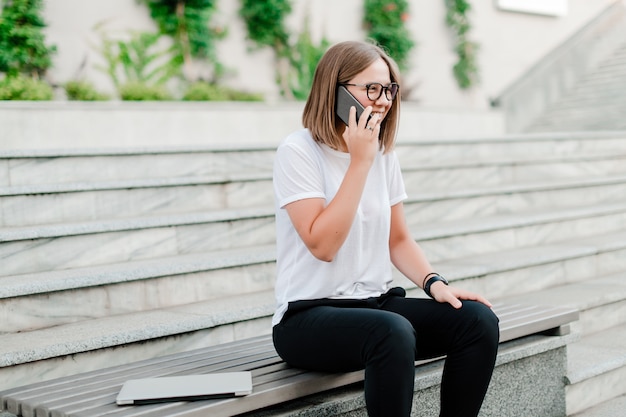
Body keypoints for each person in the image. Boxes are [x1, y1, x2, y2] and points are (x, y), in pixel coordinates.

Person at [271, 40, 499, 417]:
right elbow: (322, 245)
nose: (383, 99)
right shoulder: (298, 151)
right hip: (306, 316)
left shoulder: (382, 154)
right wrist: (359, 162)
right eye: (371, 88)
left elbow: (398, 239)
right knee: (391, 331)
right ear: (337, 90)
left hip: (375, 305)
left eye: (389, 88)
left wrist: (434, 282)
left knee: (477, 321)